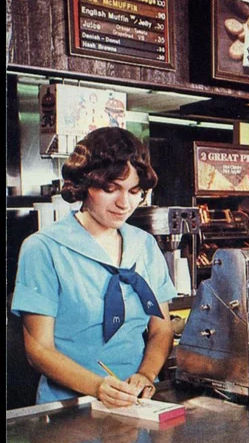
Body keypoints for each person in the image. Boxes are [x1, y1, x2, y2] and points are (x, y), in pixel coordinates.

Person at [11, 127, 177, 407]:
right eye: (111, 189)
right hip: (69, 408)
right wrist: (98, 387)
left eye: (134, 191)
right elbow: (38, 349)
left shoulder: (145, 245)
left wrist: (146, 375)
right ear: (84, 185)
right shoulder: (43, 248)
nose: (124, 203)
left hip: (138, 404)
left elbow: (161, 329)